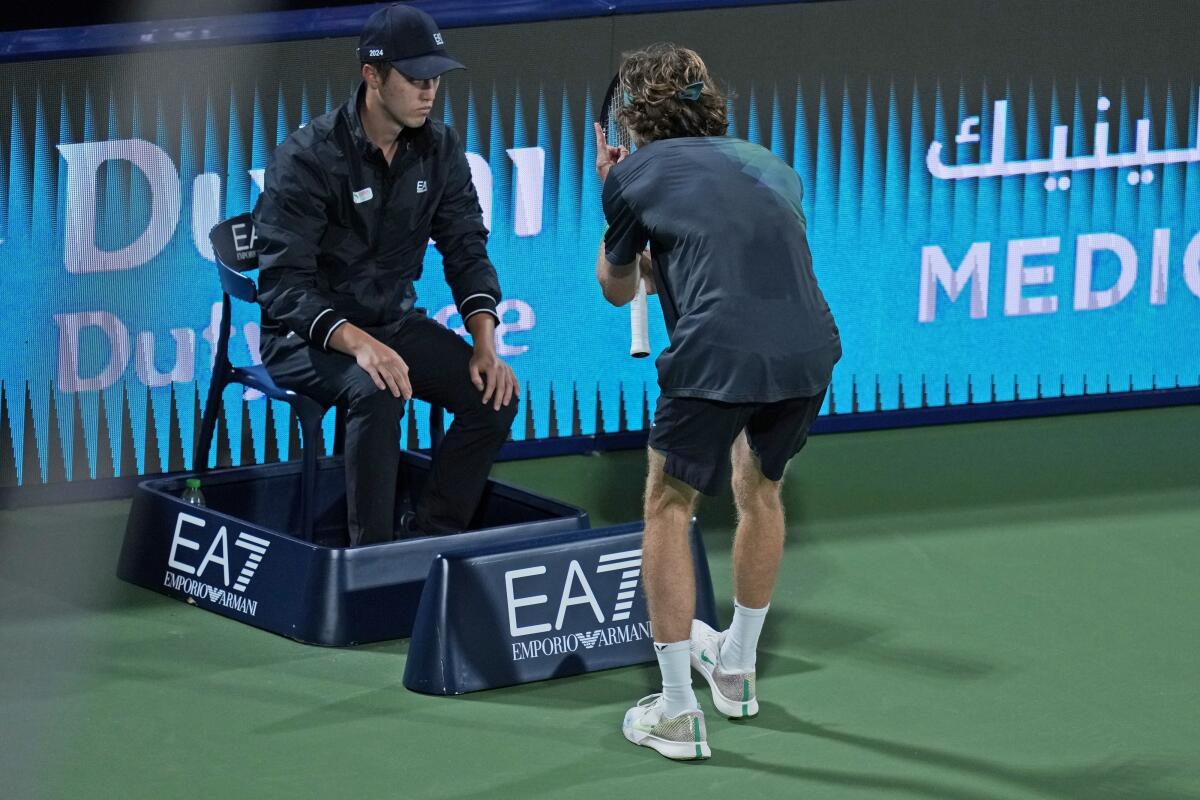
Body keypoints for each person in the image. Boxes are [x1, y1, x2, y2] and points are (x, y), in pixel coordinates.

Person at [594, 43, 841, 760]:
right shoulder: (770, 162)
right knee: (760, 488)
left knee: (668, 505)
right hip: (809, 347)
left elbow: (617, 290)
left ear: (634, 116)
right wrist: (652, 250)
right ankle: (735, 665)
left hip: (714, 349)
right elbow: (732, 249)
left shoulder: (631, 174)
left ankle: (675, 712)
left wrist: (615, 203)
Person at [253, 3, 518, 546]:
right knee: (378, 391)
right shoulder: (307, 158)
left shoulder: (440, 149)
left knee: (495, 396)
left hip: (392, 325)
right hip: (306, 338)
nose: (429, 91)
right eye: (416, 78)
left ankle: (428, 536)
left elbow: (465, 246)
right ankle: (370, 558)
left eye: (435, 79)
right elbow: (283, 287)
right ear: (372, 75)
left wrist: (485, 343)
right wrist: (357, 345)